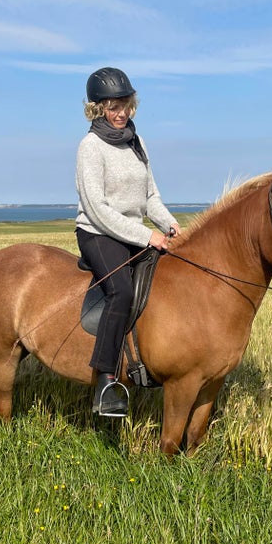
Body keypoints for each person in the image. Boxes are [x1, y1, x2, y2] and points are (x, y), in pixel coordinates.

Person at [75, 67, 181, 417]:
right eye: (112, 107)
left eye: (125, 105)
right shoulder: (90, 147)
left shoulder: (137, 140)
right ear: (96, 109)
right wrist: (146, 235)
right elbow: (98, 208)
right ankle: (105, 381)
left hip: (133, 229)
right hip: (97, 232)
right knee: (121, 290)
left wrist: (168, 224)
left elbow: (150, 196)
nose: (121, 113)